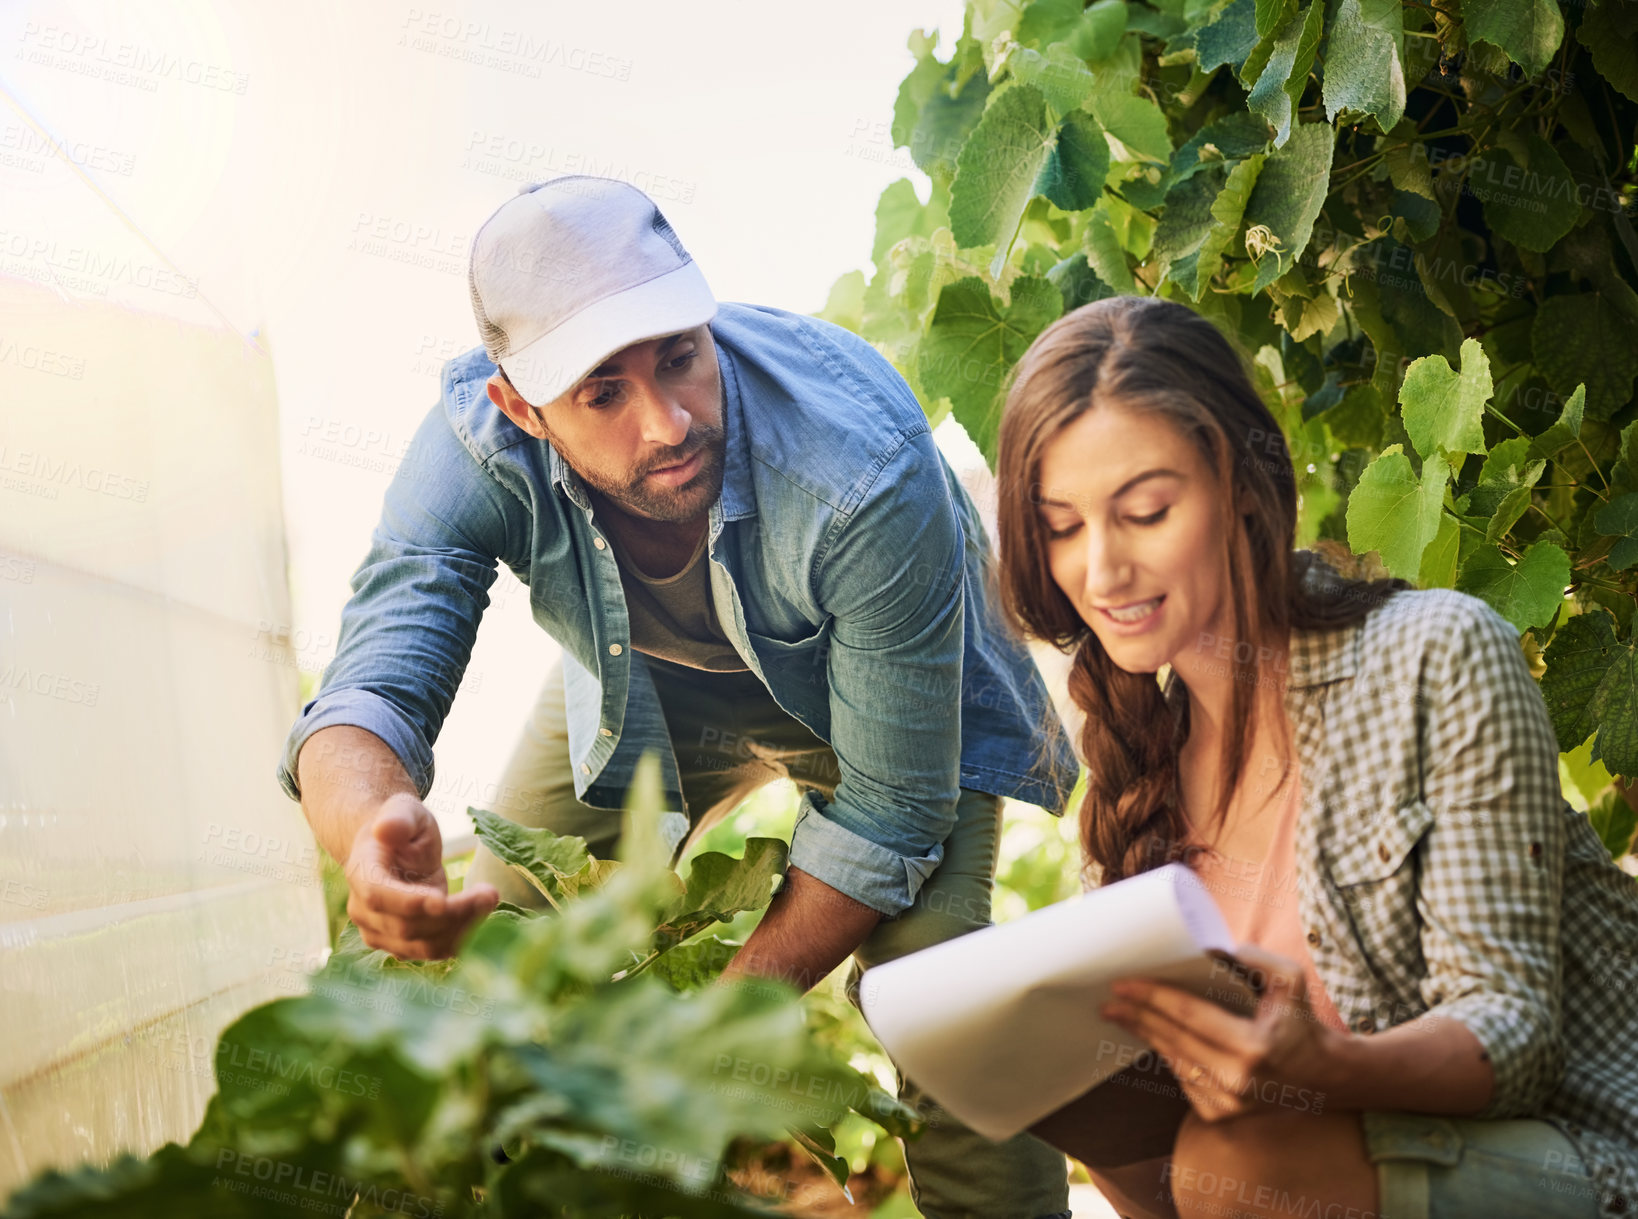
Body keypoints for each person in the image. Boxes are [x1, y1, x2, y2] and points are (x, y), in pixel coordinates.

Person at [277, 174, 1080, 1219]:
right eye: (602, 393)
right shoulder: (475, 451)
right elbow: (370, 691)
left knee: (937, 993)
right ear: (521, 407)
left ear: (704, 315)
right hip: (651, 694)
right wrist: (369, 825)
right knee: (432, 949)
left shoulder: (860, 467)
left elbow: (891, 814)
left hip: (892, 700)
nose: (666, 422)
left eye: (679, 357)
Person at [991, 294, 1638, 1219]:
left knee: (1240, 1156)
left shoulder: (1436, 655)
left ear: (1242, 487)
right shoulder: (1139, 778)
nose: (1101, 571)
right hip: (1310, 1186)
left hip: (1583, 1157)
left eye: (1145, 510)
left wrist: (1326, 1069)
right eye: (1061, 526)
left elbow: (1517, 1032)